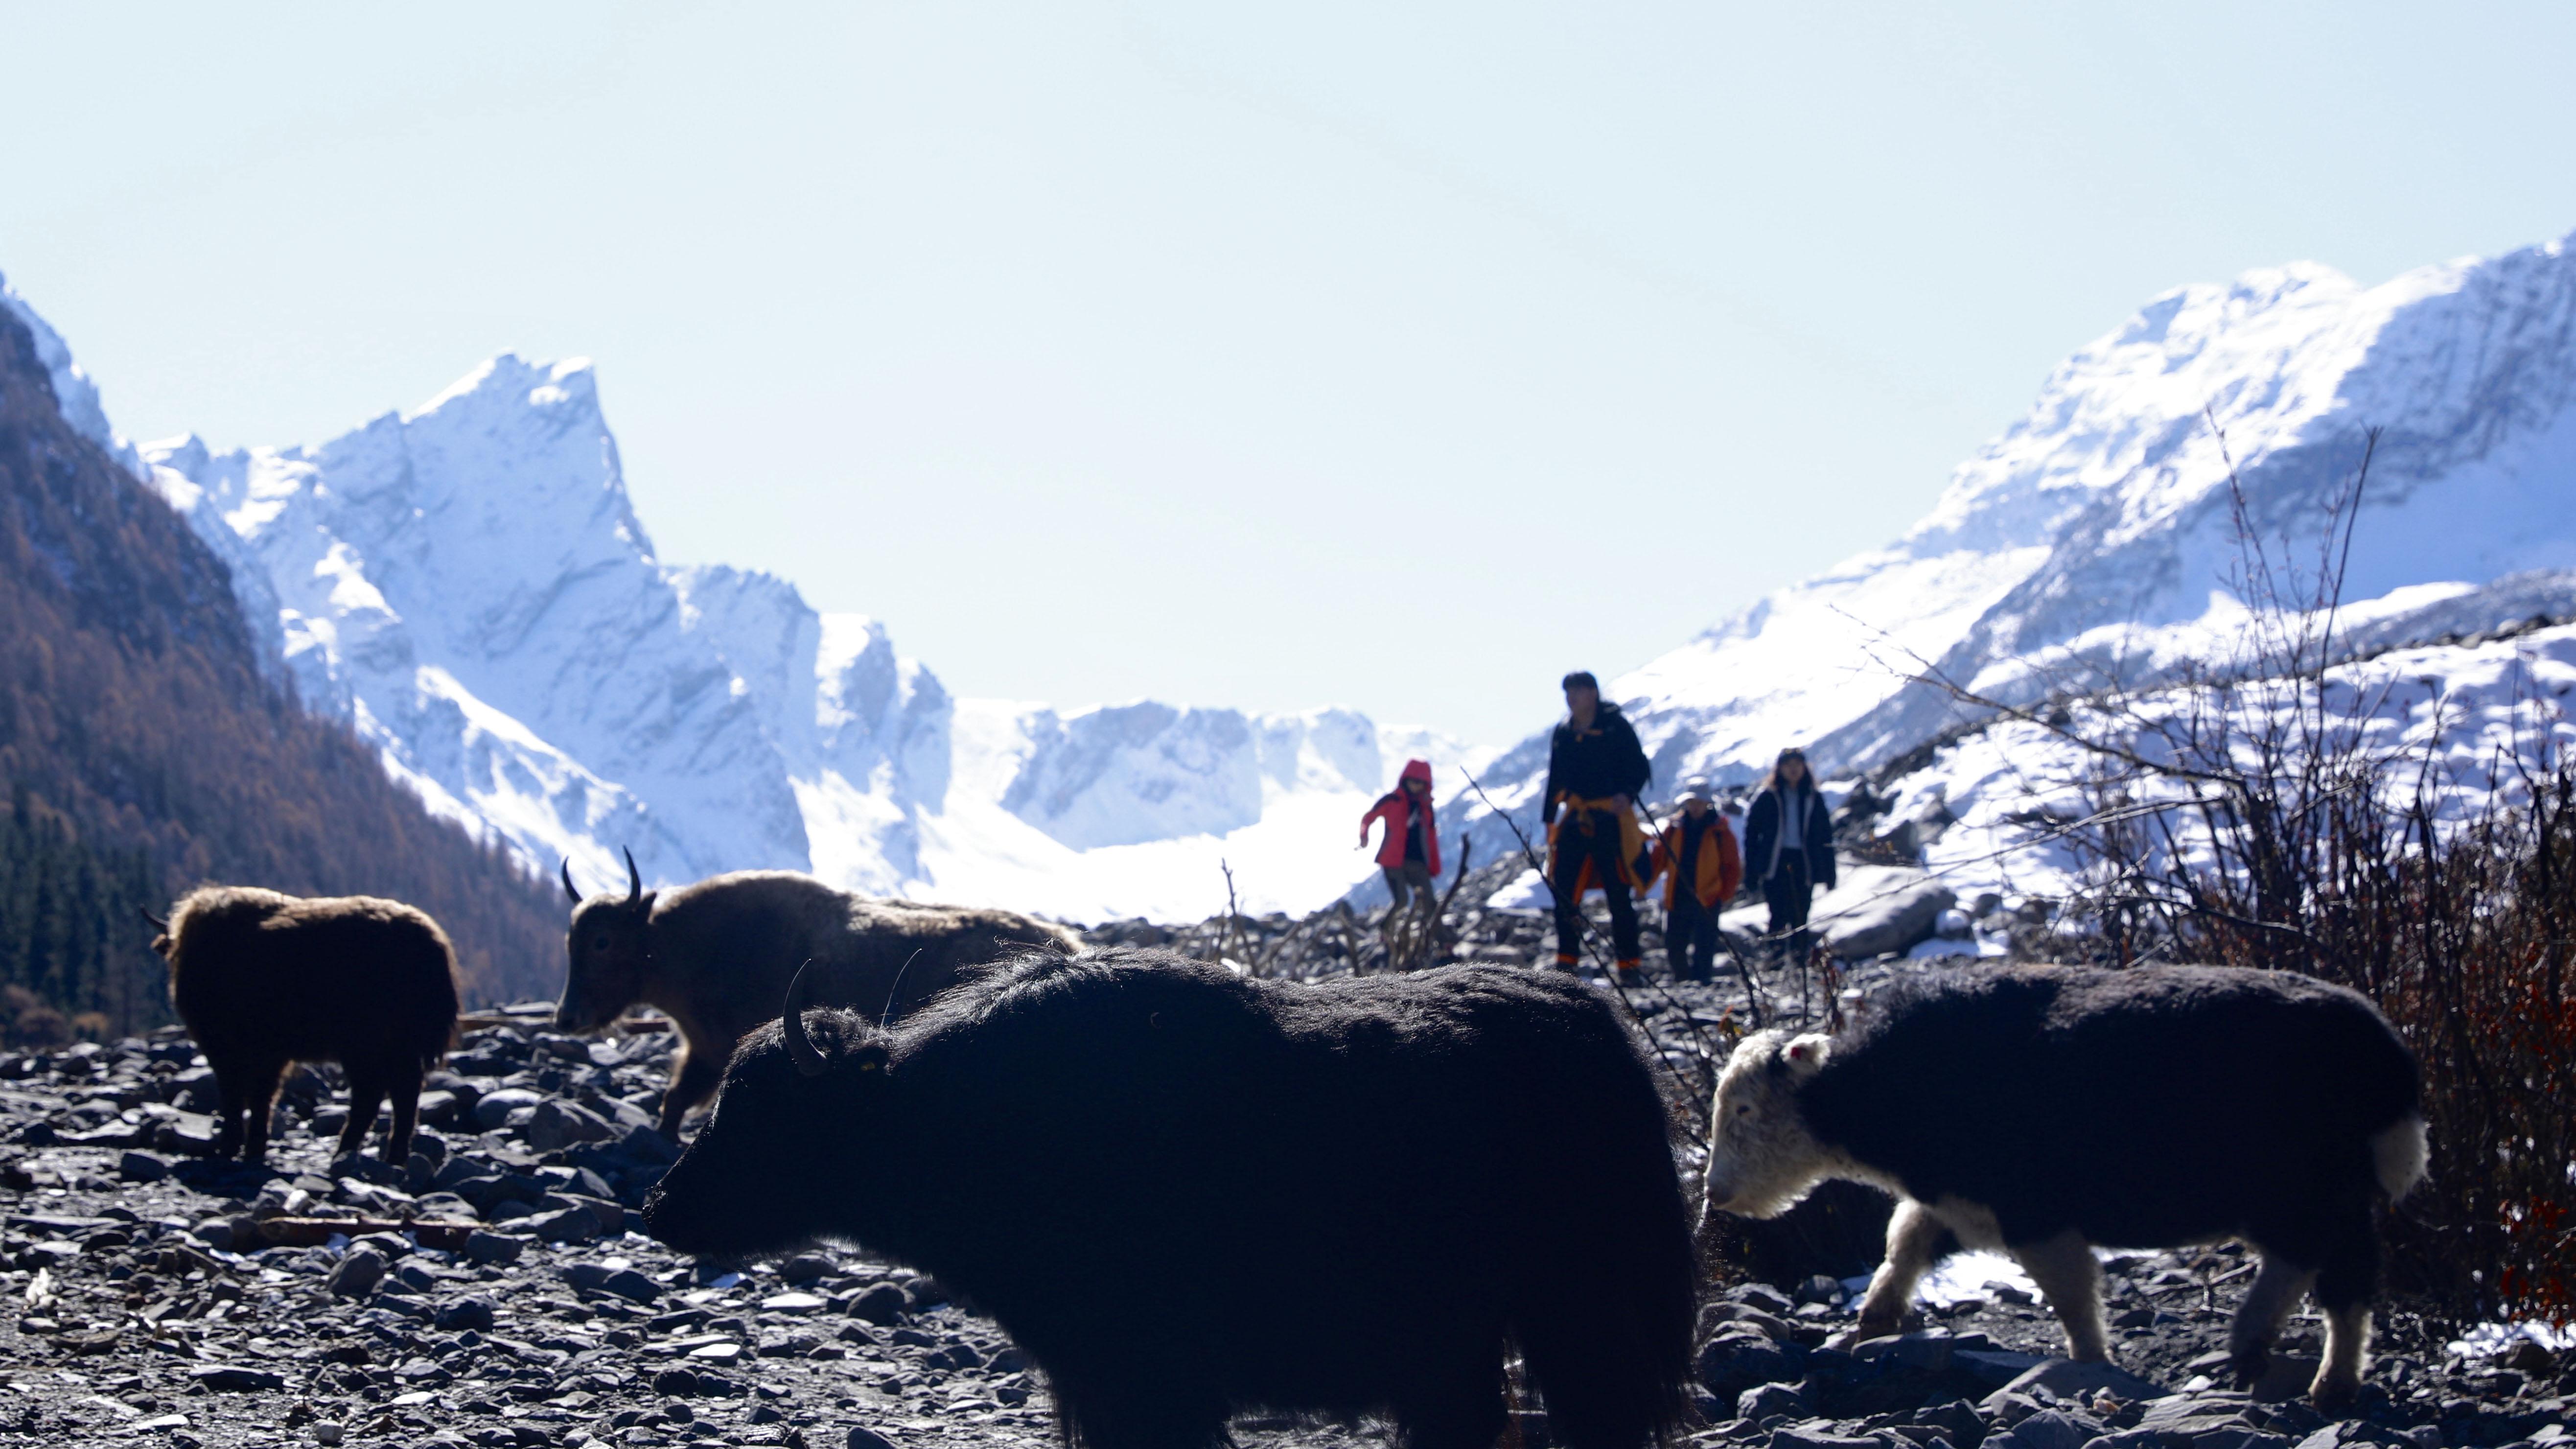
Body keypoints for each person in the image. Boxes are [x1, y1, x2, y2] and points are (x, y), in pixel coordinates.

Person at [1541, 671, 1651, 979]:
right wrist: (1549, 819)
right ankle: (1566, 964)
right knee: (1565, 890)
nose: (1571, 698)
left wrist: (1627, 795)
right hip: (1576, 818)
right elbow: (1555, 777)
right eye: (1568, 692)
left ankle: (1630, 966)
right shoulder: (1563, 731)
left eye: (1577, 691)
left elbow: (1639, 767)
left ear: (1593, 693)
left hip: (1612, 820)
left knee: (1619, 891)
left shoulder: (1616, 726)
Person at [1741, 747, 1835, 961]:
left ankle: (1799, 958)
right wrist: (1752, 871)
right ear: (1780, 769)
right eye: (1788, 766)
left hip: (1804, 862)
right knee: (1777, 911)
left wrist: (1830, 872)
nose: (1793, 770)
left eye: (1797, 766)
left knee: (1801, 911)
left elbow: (1825, 836)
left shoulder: (1813, 797)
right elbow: (1752, 834)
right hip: (1776, 861)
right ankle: (1775, 958)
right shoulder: (1768, 797)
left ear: (1805, 768)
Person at [1648, 778, 1742, 983]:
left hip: (1708, 896)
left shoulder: (1721, 832)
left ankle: (1702, 981)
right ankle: (1683, 980)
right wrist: (1643, 881)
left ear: (1708, 803)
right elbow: (1658, 859)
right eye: (1692, 802)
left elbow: (1732, 866)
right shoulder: (1674, 828)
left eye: (1699, 802)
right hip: (1678, 894)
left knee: (1705, 944)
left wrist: (1723, 894)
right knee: (1674, 944)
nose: (1695, 807)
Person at [1359, 759, 1442, 936]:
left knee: (1430, 902)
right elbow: (1369, 817)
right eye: (1413, 781)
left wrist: (1434, 866)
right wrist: (1364, 836)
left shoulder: (1426, 807)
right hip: (1393, 861)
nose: (1416, 785)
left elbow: (1431, 838)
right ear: (1405, 780)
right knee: (1402, 900)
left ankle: (1442, 944)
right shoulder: (1393, 800)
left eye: (1420, 782)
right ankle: (1386, 932)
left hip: (1418, 863)